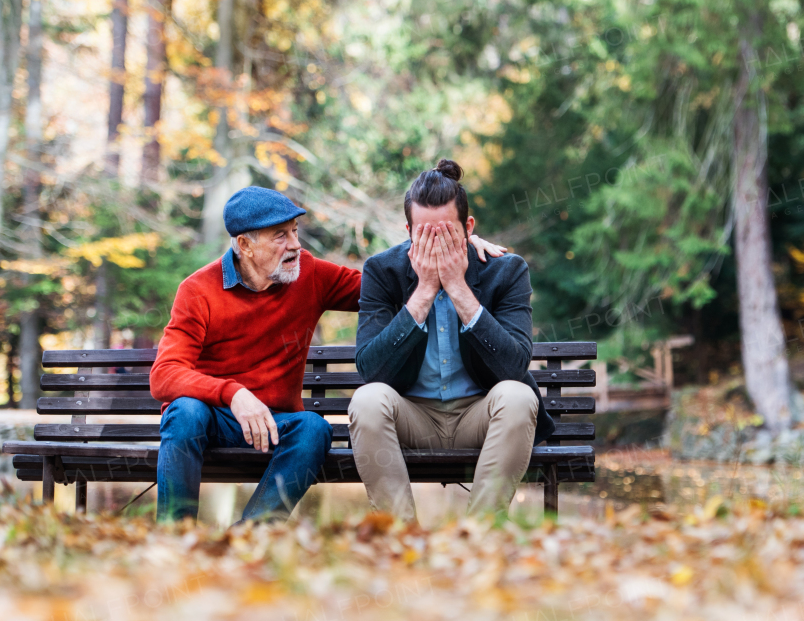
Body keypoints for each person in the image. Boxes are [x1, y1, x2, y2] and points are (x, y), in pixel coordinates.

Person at [149, 185, 505, 522]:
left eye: (294, 231)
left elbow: (385, 283)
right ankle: (174, 537)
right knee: (185, 411)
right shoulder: (198, 290)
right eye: (280, 236)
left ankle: (253, 535)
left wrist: (451, 244)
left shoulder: (309, 274)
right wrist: (234, 394)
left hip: (276, 425)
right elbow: (164, 374)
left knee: (314, 429)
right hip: (216, 420)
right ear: (245, 245)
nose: (295, 245)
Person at [350, 159, 554, 522]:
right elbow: (371, 369)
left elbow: (513, 365)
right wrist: (425, 290)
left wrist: (459, 289)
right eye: (425, 236)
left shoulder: (505, 270)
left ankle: (478, 537)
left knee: (519, 395)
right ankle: (401, 540)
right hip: (412, 417)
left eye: (446, 233)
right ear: (408, 231)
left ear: (468, 227)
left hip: (481, 414)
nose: (436, 245)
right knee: (367, 400)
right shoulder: (383, 272)